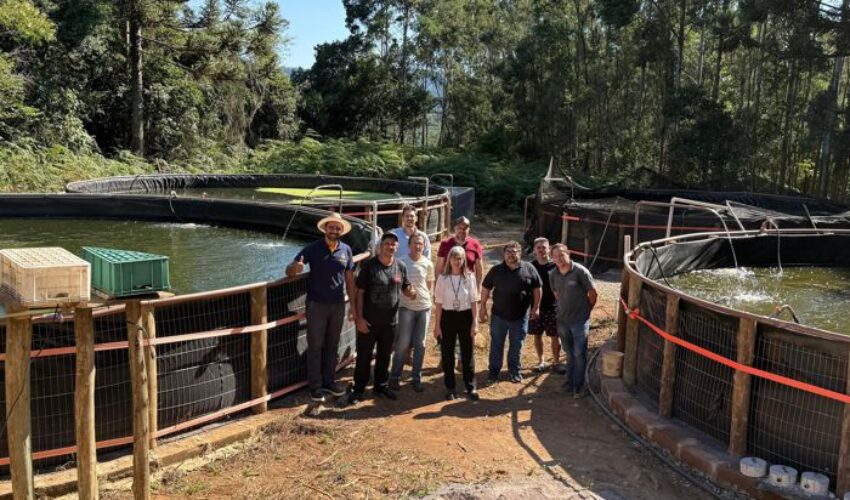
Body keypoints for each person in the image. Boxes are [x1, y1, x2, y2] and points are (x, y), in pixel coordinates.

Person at [285, 212, 356, 403]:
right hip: (316, 305)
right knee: (315, 346)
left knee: (332, 345)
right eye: (331, 227)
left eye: (337, 228)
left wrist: (354, 307)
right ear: (325, 229)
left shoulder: (347, 250)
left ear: (341, 231)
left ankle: (329, 381)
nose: (334, 230)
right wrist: (295, 268)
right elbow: (290, 270)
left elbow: (350, 279)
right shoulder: (312, 249)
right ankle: (315, 387)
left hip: (338, 304)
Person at [350, 232, 416, 404]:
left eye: (394, 244)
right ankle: (358, 389)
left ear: (397, 247)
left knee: (385, 355)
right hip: (369, 321)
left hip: (390, 322)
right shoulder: (369, 266)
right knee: (364, 356)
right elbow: (359, 292)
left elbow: (406, 286)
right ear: (381, 246)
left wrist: (410, 291)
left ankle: (380, 386)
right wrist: (359, 318)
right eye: (387, 243)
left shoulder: (400, 266)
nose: (390, 246)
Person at [480, 241, 541, 384]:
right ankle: (494, 372)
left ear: (520, 253)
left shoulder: (529, 268)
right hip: (499, 316)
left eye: (514, 252)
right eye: (508, 252)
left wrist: (536, 307)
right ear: (504, 254)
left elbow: (537, 289)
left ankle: (514, 371)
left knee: (516, 345)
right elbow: (485, 288)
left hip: (520, 317)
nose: (511, 255)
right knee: (496, 344)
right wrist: (482, 306)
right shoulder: (496, 270)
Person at [549, 243, 598, 399]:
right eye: (555, 256)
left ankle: (579, 386)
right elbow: (557, 294)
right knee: (569, 353)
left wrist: (586, 311)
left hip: (579, 320)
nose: (559, 259)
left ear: (568, 253)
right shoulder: (553, 274)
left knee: (579, 353)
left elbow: (593, 293)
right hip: (562, 320)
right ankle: (569, 383)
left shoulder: (580, 272)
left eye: (561, 255)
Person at [434, 246, 480, 401]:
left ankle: (470, 386)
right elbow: (439, 303)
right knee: (447, 353)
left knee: (467, 353)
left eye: (460, 258)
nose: (457, 261)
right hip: (448, 317)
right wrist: (437, 325)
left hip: (465, 316)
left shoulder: (469, 277)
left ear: (464, 260)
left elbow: (474, 301)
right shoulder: (443, 278)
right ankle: (450, 387)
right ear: (449, 259)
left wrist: (475, 322)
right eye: (454, 257)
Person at [389, 232, 434, 392]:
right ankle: (395, 377)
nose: (418, 246)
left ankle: (416, 378)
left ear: (424, 245)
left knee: (420, 344)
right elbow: (394, 283)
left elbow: (429, 285)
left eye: (421, 243)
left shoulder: (428, 263)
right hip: (406, 307)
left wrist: (426, 298)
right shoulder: (400, 262)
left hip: (424, 307)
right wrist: (405, 292)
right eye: (415, 243)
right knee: (403, 343)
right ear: (409, 245)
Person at [528, 237, 562, 373]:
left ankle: (556, 361)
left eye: (544, 247)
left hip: (553, 307)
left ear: (549, 249)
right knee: (537, 335)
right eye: (539, 247)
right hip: (536, 307)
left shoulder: (556, 266)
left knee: (555, 336)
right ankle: (541, 361)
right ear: (535, 250)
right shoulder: (530, 267)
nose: (541, 250)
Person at [436, 216, 483, 289]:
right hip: (448, 284)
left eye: (465, 228)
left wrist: (478, 288)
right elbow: (439, 266)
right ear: (455, 228)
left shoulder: (475, 244)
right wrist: (437, 286)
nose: (462, 230)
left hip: (467, 284)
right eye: (459, 228)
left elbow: (479, 268)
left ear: (469, 229)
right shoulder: (445, 244)